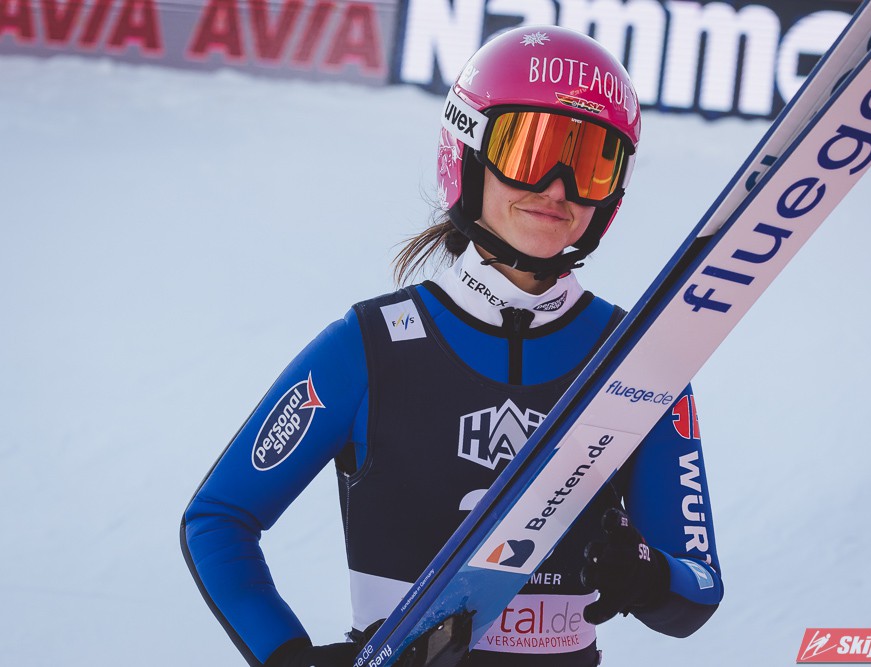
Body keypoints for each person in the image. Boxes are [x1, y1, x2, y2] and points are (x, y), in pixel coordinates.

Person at [181, 26, 722, 667]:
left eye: (590, 164)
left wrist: (649, 574)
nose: (558, 187)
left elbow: (698, 591)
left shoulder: (637, 360)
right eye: (530, 150)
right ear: (466, 152)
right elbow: (219, 518)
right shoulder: (372, 348)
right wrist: (288, 657)